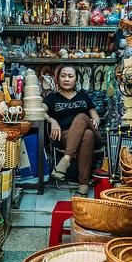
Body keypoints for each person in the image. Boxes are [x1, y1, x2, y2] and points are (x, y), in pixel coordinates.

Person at [43, 66, 101, 197]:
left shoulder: (83, 96)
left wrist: (96, 120)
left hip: (91, 129)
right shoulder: (52, 98)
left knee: (82, 117)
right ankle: (83, 187)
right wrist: (52, 120)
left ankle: (66, 159)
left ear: (76, 79)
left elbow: (94, 115)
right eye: (63, 76)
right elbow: (40, 111)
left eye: (70, 76)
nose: (67, 79)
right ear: (58, 79)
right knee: (87, 135)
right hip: (65, 136)